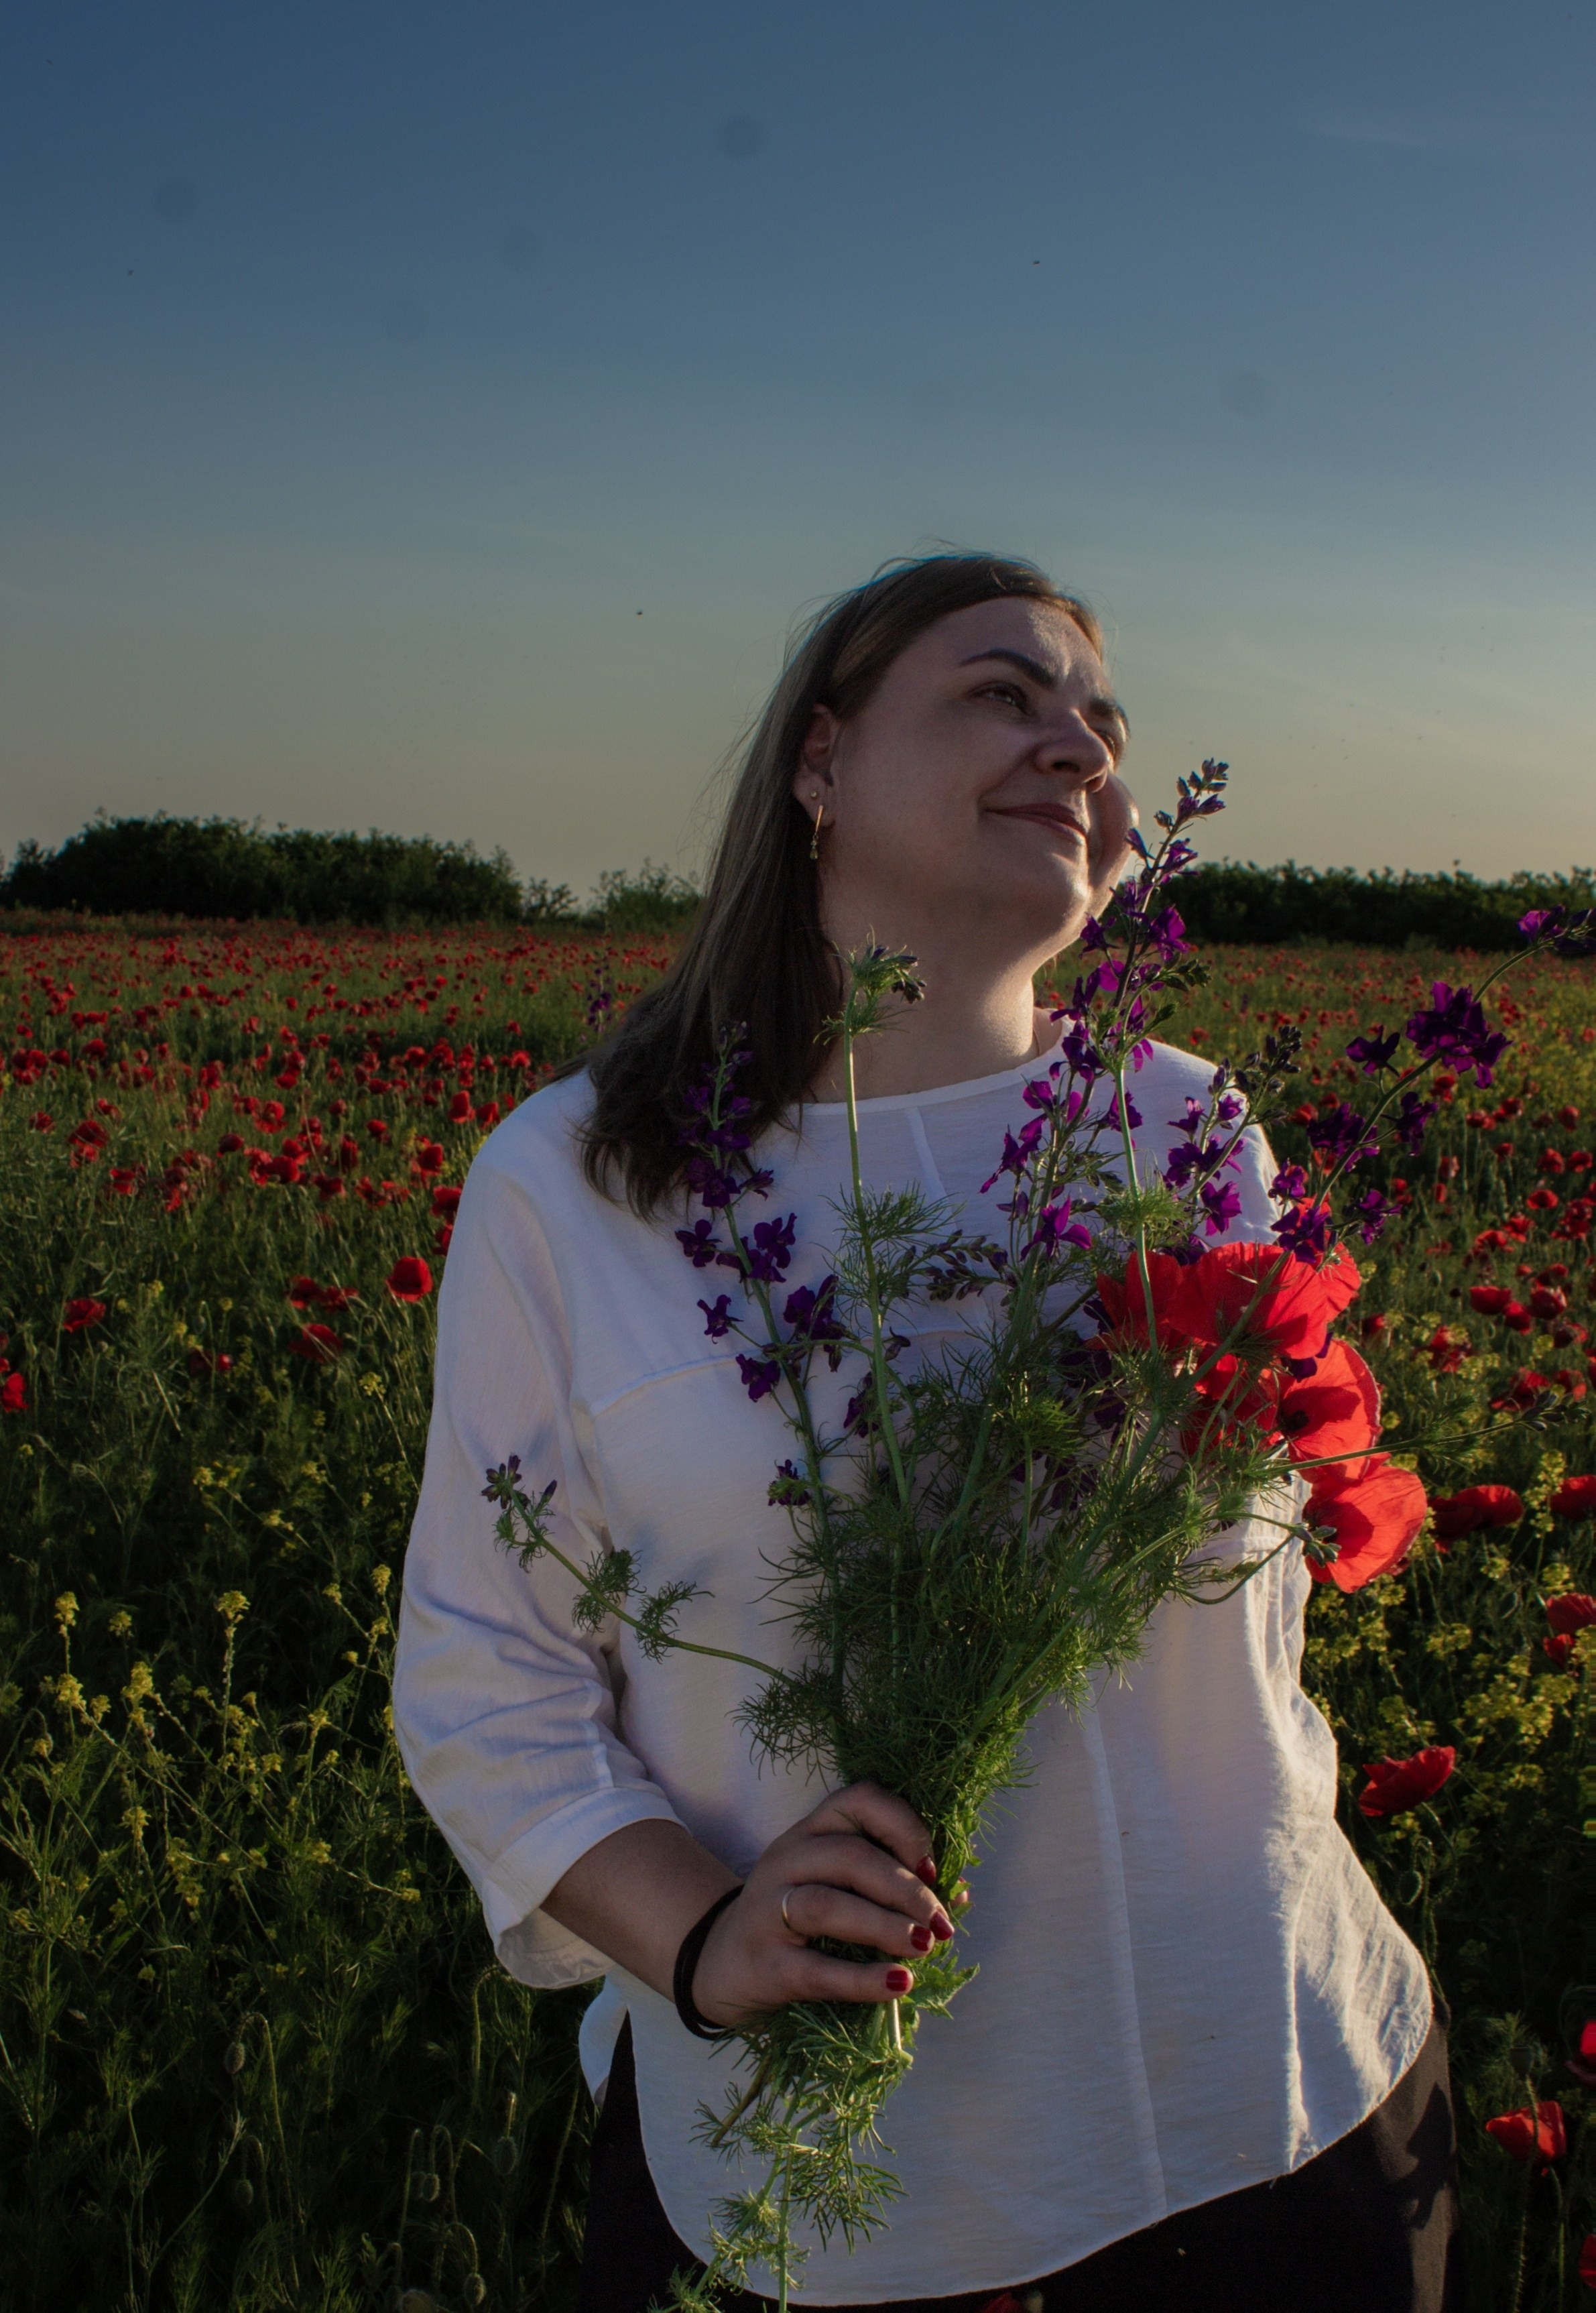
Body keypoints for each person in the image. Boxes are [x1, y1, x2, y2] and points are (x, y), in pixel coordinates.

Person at [391, 553, 1461, 2312]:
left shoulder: (1189, 1132)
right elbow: (483, 1683)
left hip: (1272, 2101)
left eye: (1102, 723)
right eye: (1003, 692)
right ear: (817, 764)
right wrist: (708, 1940)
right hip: (826, 2191)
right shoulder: (581, 1184)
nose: (1079, 745)